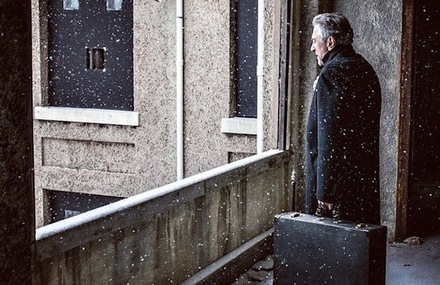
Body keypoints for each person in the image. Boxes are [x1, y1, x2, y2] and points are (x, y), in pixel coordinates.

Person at [305, 12, 381, 224]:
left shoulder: (332, 74)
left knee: (330, 247)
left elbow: (331, 136)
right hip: (361, 178)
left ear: (330, 42)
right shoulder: (363, 68)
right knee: (359, 241)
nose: (312, 48)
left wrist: (326, 190)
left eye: (314, 41)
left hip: (337, 190)